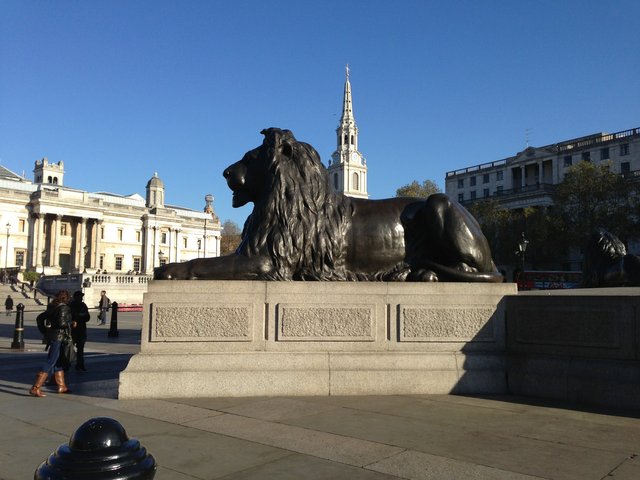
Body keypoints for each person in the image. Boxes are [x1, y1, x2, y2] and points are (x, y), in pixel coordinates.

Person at [30, 290, 73, 397]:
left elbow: (40, 318)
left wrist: (45, 331)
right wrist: (71, 323)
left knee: (58, 361)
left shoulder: (53, 307)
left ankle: (62, 386)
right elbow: (61, 323)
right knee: (51, 361)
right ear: (66, 298)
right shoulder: (64, 308)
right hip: (59, 337)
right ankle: (36, 387)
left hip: (53, 336)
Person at [69, 290, 90, 371]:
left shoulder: (83, 305)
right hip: (73, 329)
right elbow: (70, 316)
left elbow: (87, 317)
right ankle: (67, 363)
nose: (81, 298)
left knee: (80, 348)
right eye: (80, 297)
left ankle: (80, 364)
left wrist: (80, 316)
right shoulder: (71, 305)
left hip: (81, 329)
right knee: (70, 347)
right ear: (75, 297)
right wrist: (79, 316)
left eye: (82, 297)